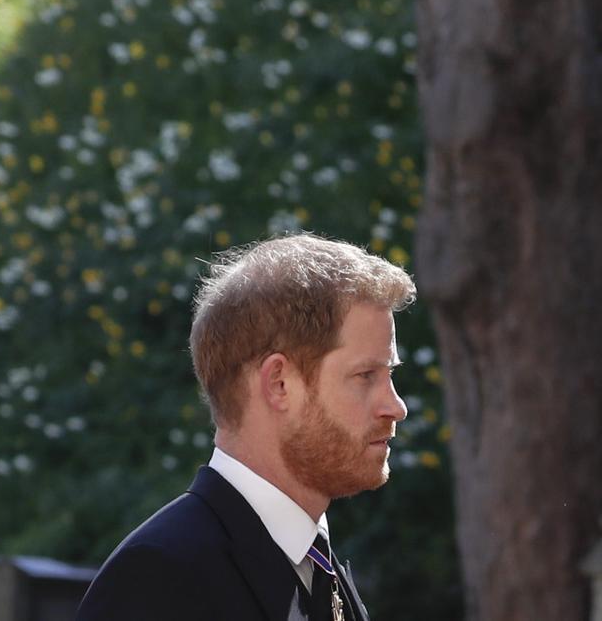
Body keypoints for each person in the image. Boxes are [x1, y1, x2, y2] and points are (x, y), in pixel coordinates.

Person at [76, 234, 415, 621]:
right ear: (279, 384)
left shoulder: (321, 571)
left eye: (389, 375)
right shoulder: (160, 577)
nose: (396, 406)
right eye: (366, 375)